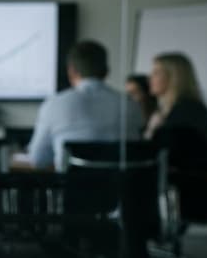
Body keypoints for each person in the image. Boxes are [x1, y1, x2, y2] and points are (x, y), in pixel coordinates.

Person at [20, 40, 144, 170]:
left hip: (72, 183)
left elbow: (38, 160)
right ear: (106, 71)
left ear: (71, 71)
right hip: (123, 182)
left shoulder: (54, 104)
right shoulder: (130, 104)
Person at [144, 52, 207, 221]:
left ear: (173, 77)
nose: (150, 78)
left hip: (185, 191)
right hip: (184, 188)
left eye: (156, 73)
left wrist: (152, 130)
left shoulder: (185, 113)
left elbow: (161, 154)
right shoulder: (183, 110)